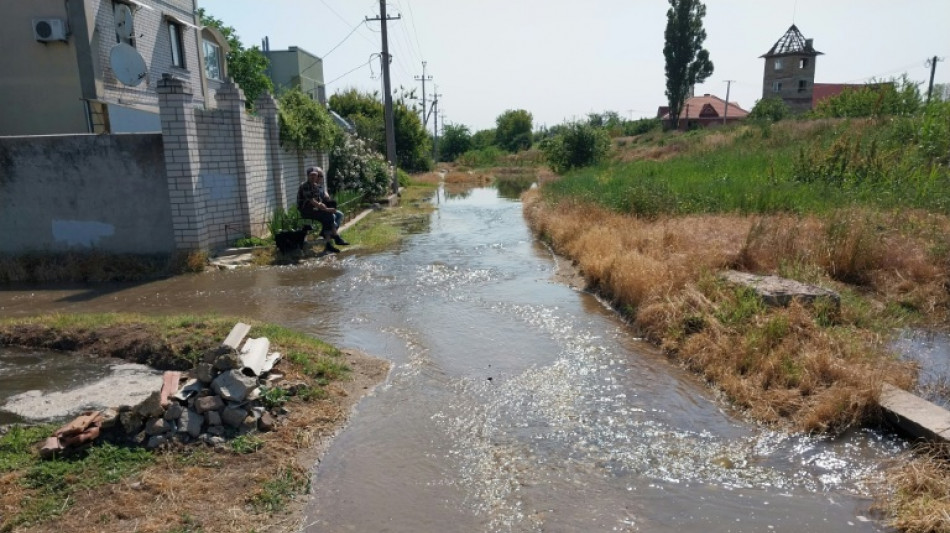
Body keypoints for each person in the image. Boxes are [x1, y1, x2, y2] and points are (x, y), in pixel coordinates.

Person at [297, 166, 349, 253]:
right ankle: (336, 238)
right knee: (328, 215)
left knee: (329, 217)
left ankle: (329, 244)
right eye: (311, 175)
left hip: (314, 209)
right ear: (308, 176)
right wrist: (328, 210)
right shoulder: (304, 186)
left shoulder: (316, 186)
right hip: (306, 210)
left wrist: (328, 208)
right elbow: (313, 201)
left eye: (315, 175)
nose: (314, 177)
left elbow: (320, 202)